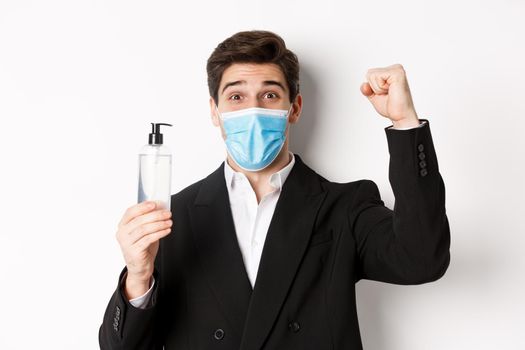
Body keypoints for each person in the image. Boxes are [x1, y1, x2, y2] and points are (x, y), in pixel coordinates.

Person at [99, 30, 450, 349]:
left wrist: (405, 123)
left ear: (293, 108)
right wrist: (139, 275)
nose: (253, 109)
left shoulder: (344, 206)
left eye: (269, 94)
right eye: (236, 96)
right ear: (215, 111)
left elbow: (422, 261)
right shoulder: (171, 217)